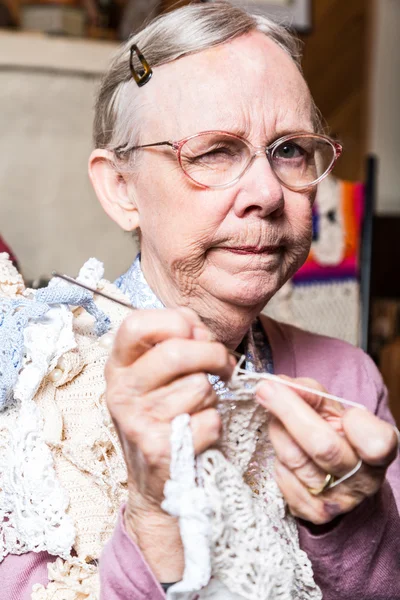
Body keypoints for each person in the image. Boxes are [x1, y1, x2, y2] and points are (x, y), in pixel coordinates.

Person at [0, 3, 399, 599]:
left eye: (289, 149)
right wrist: (153, 517)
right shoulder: (33, 381)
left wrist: (343, 521)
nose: (266, 192)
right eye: (214, 150)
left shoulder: (347, 380)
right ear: (121, 188)